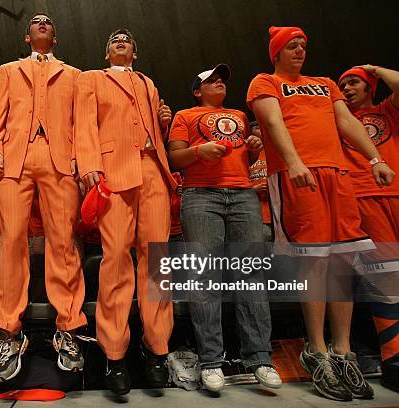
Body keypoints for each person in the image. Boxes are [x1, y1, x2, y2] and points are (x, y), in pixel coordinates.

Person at [247, 26, 394, 401]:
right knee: (314, 263)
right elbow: (274, 123)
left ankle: (344, 351)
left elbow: (347, 122)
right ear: (276, 51)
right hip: (298, 175)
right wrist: (295, 162)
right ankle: (317, 350)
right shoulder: (264, 81)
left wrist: (373, 157)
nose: (300, 51)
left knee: (343, 261)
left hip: (339, 175)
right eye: (292, 46)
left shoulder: (325, 83)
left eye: (303, 46)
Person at [74, 28, 176, 395]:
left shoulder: (148, 82)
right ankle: (114, 353)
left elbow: (151, 127)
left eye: (127, 39)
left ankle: (157, 347)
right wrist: (89, 168)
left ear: (134, 51)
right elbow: (83, 124)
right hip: (113, 170)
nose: (120, 41)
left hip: (153, 168)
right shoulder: (91, 79)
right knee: (115, 257)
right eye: (114, 39)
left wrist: (162, 122)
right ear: (107, 53)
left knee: (156, 259)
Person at [0, 12, 88, 381]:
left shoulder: (75, 74)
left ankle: (69, 328)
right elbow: (0, 113)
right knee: (11, 239)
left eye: (47, 21)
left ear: (55, 37)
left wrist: (81, 159)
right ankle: (8, 331)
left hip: (60, 158)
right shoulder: (9, 70)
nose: (42, 22)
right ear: (27, 37)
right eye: (35, 21)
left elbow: (81, 122)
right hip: (15, 156)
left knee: (63, 242)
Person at [168, 64, 281, 393]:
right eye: (211, 81)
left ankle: (260, 358)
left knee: (251, 273)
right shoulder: (185, 115)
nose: (219, 84)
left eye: (222, 81)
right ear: (197, 91)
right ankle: (211, 361)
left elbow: (243, 159)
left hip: (243, 194)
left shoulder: (240, 116)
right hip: (200, 196)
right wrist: (198, 152)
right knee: (204, 276)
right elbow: (175, 159)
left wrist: (254, 149)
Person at [338, 65, 399, 392]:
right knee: (387, 278)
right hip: (362, 197)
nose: (347, 88)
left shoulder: (387, 110)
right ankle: (393, 358)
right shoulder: (338, 119)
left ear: (371, 86)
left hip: (397, 190)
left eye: (354, 82)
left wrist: (374, 69)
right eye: (343, 83)